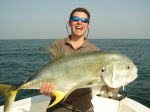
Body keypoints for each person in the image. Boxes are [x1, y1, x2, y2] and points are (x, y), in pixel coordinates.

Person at [40, 7, 118, 112]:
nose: (79, 22)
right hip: (58, 104)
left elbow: (105, 87)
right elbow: (52, 75)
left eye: (84, 20)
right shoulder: (57, 45)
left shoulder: (95, 51)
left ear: (88, 25)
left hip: (84, 106)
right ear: (69, 23)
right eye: (76, 19)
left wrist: (113, 87)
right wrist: (48, 89)